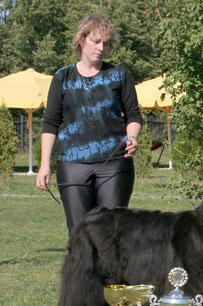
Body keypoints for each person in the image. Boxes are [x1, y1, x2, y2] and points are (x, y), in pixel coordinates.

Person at [36, 14, 142, 233]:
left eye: (105, 43)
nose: (101, 47)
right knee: (79, 234)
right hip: (72, 165)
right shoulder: (61, 78)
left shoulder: (119, 75)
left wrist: (132, 137)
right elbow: (50, 123)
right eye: (96, 41)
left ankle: (110, 269)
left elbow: (133, 115)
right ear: (81, 39)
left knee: (112, 232)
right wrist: (44, 164)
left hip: (115, 164)